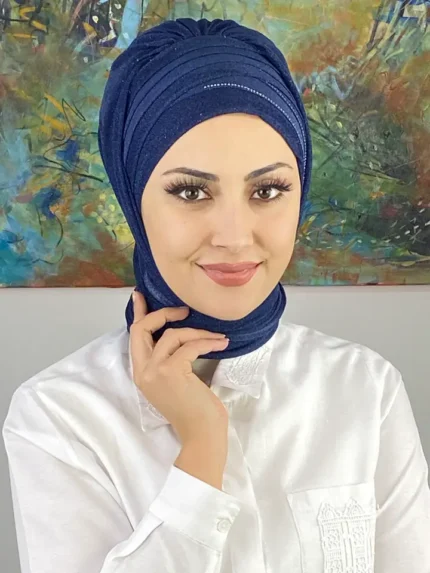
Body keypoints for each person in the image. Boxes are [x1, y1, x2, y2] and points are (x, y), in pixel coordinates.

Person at [2, 17, 430, 573]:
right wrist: (203, 445)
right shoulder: (59, 414)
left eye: (268, 190)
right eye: (190, 192)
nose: (234, 237)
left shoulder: (366, 389)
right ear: (135, 201)